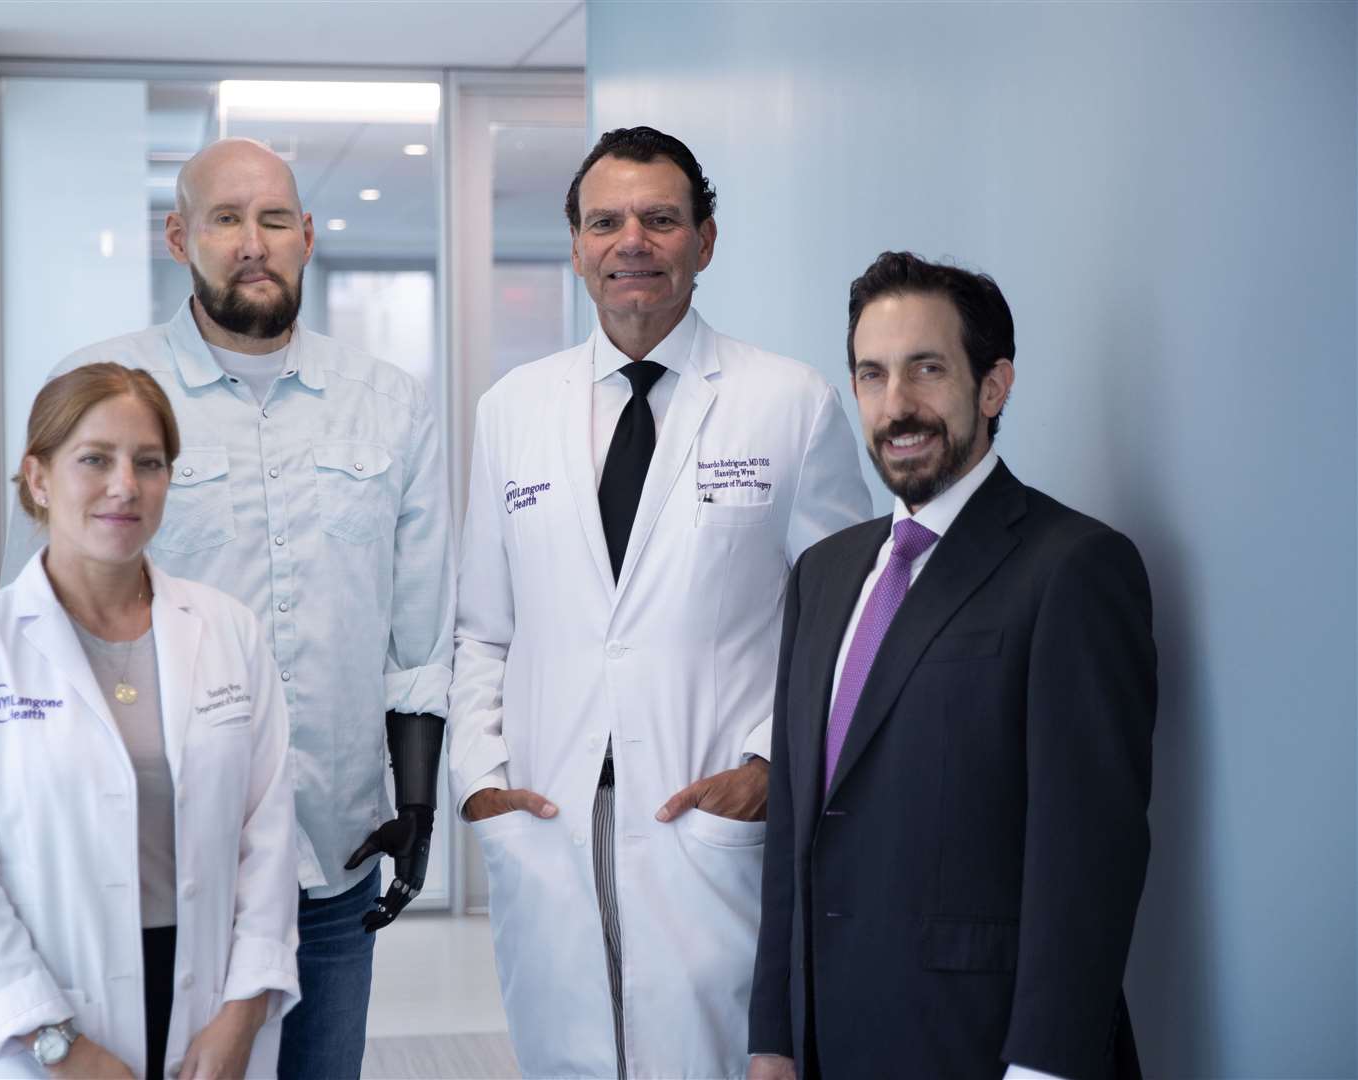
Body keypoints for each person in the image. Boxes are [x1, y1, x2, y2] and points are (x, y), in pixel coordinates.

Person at [0, 138, 453, 1080]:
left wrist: (417, 795)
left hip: (334, 848)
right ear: (179, 236)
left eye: (275, 219)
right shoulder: (103, 391)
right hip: (161, 859)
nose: (254, 242)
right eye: (226, 218)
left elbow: (418, 622)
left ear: (308, 237)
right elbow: (33, 628)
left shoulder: (389, 404)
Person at [449, 126, 872, 1079]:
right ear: (575, 247)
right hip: (552, 812)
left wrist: (770, 763)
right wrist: (480, 782)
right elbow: (483, 627)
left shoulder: (788, 403)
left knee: (712, 1053)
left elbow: (842, 625)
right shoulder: (512, 410)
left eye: (659, 219)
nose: (630, 240)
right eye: (605, 222)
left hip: (706, 810)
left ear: (705, 240)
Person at [748, 252, 1157, 1080]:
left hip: (983, 1050)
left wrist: (1043, 1068)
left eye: (926, 370)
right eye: (872, 374)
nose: (896, 406)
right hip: (831, 1043)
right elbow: (794, 830)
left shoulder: (1074, 568)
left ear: (994, 385)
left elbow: (1090, 858)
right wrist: (773, 1037)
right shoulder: (822, 577)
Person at [0, 363, 304, 1078]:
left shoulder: (229, 633)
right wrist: (55, 1043)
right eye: (95, 459)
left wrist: (243, 1014)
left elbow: (268, 842)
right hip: (45, 1025)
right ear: (39, 478)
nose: (125, 486)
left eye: (148, 463)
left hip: (206, 1009)